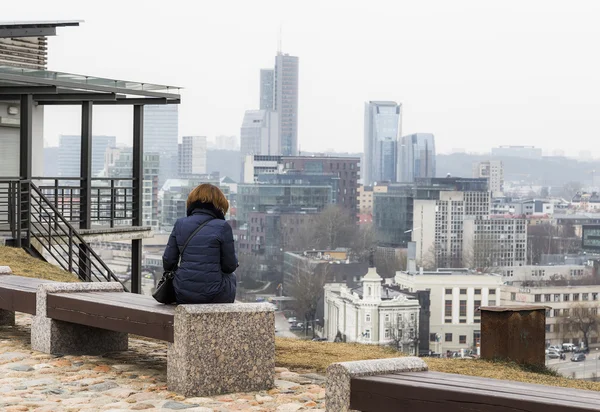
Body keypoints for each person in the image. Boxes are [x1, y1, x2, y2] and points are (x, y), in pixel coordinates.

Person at [162, 183, 237, 304]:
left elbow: (168, 261)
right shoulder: (223, 227)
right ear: (219, 205)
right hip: (214, 296)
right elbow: (229, 266)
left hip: (182, 293)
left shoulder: (180, 223)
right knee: (231, 277)